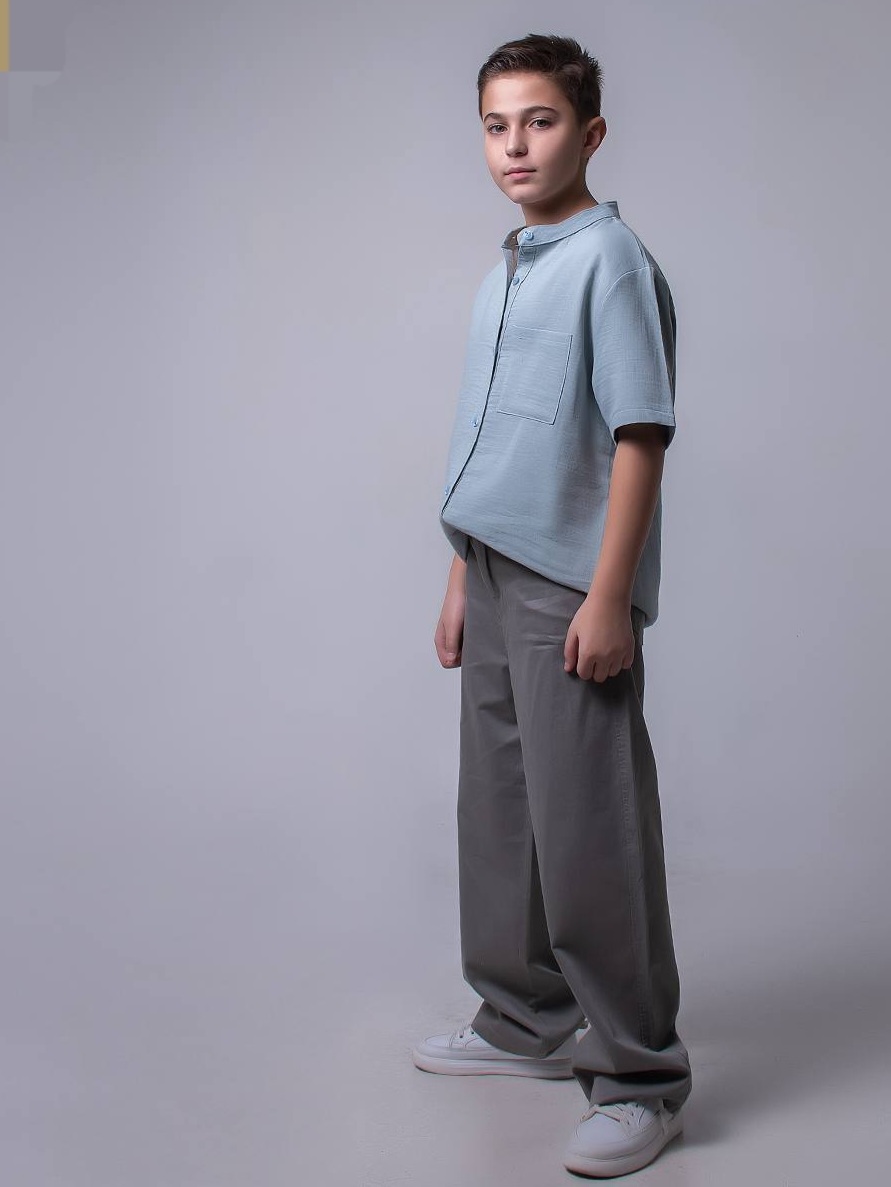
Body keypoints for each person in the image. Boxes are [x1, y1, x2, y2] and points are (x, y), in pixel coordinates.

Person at [411, 32, 693, 1179]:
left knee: (588, 830)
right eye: (496, 125)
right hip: (491, 568)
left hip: (570, 584)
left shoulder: (610, 261)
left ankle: (640, 1074)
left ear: (590, 132)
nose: (515, 145)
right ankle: (524, 1016)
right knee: (499, 811)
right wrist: (458, 572)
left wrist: (611, 594)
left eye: (539, 120)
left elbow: (640, 433)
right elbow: (494, 436)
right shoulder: (510, 266)